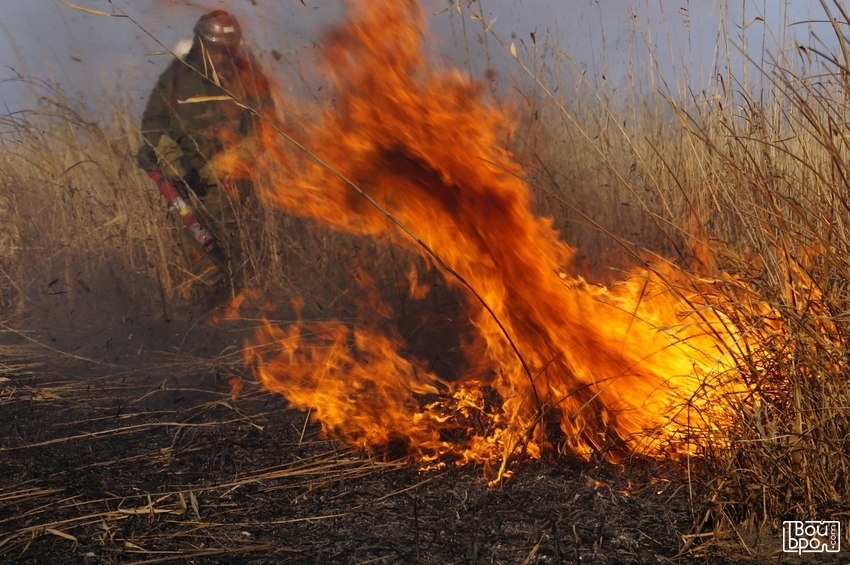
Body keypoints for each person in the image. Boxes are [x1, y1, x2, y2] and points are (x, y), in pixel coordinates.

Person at [137, 10, 274, 299]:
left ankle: (243, 303)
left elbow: (266, 128)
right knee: (195, 252)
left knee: (233, 244)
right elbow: (152, 124)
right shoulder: (176, 75)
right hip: (184, 179)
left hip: (231, 180)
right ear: (199, 44)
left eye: (226, 51)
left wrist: (224, 165)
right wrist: (175, 164)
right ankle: (207, 314)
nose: (220, 58)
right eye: (213, 50)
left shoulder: (248, 75)